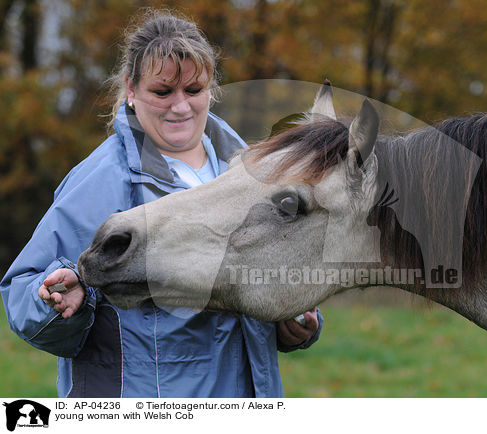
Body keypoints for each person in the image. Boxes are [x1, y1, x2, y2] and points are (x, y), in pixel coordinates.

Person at [0, 10, 323, 398]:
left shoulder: (250, 173)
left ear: (211, 90)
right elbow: (22, 295)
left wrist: (294, 320)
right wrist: (60, 300)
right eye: (162, 91)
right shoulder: (101, 181)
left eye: (194, 89)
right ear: (131, 90)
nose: (181, 107)